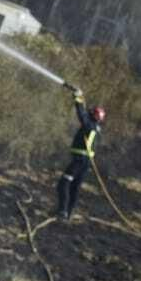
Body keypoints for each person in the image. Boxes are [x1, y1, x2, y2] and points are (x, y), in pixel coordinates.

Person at [56, 85, 106, 220]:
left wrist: (78, 98)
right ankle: (68, 213)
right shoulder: (96, 127)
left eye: (91, 113)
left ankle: (62, 212)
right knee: (75, 187)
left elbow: (81, 114)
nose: (89, 113)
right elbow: (85, 115)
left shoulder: (89, 125)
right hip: (85, 162)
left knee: (64, 183)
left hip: (79, 161)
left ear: (94, 116)